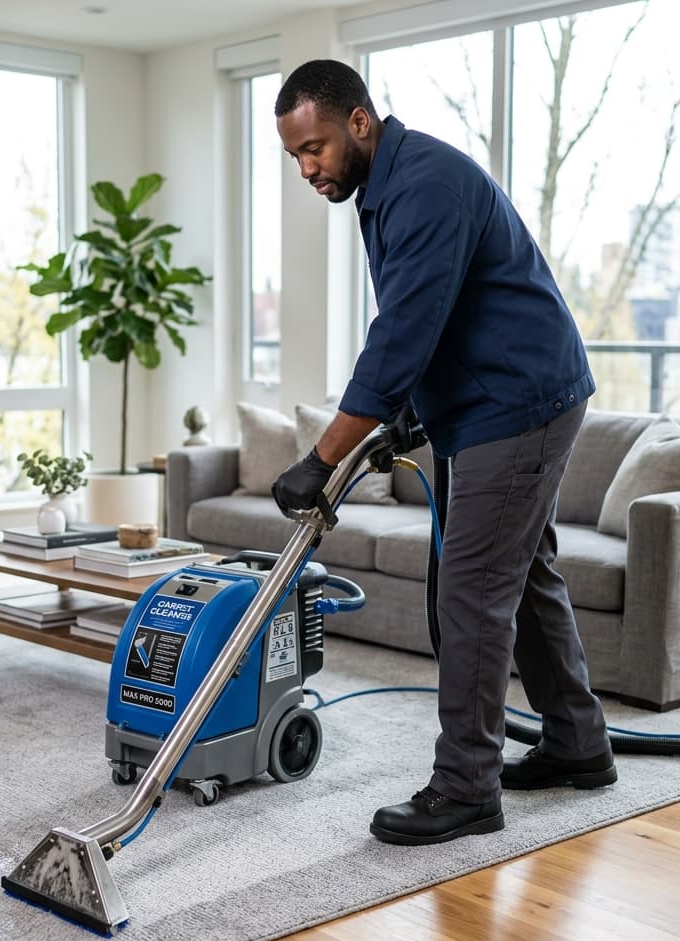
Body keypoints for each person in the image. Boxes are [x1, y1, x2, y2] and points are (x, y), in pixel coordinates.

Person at [271, 59, 616, 846]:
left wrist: (321, 458)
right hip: (490, 403)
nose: (308, 168)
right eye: (295, 157)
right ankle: (577, 743)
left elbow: (400, 336)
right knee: (521, 575)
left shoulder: (424, 184)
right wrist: (410, 420)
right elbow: (443, 317)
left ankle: (466, 788)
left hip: (518, 404)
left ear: (360, 121)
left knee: (471, 593)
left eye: (315, 147)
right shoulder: (387, 188)